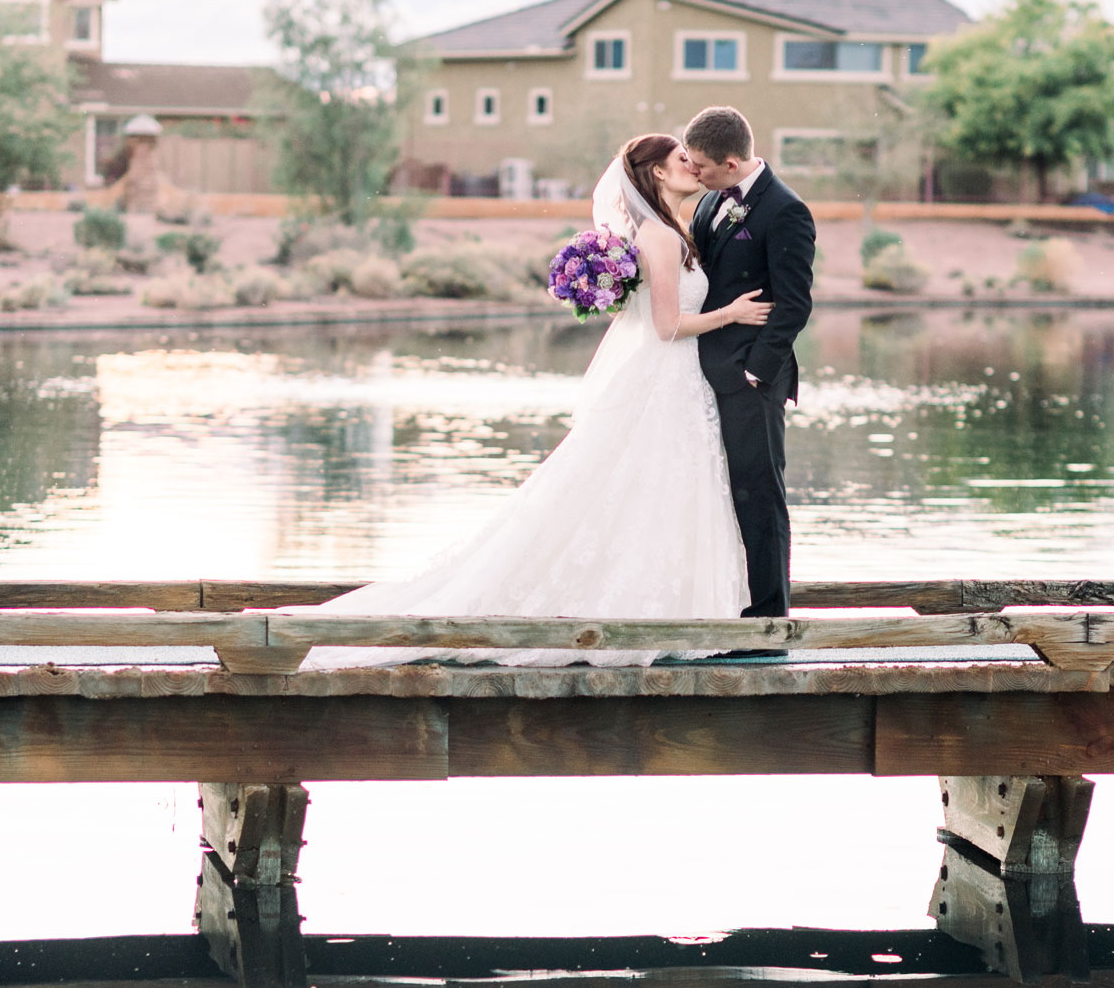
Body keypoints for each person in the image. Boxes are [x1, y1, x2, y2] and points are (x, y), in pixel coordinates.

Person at [299, 134, 770, 666]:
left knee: (662, 492)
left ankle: (672, 611)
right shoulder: (660, 236)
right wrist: (730, 314)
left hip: (680, 383)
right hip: (667, 377)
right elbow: (667, 326)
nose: (694, 165)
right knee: (649, 487)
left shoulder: (674, 230)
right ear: (657, 173)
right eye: (682, 158)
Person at [685, 108, 817, 620]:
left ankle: (768, 617)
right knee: (720, 492)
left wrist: (756, 370)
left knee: (760, 495)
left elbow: (794, 303)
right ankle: (727, 601)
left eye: (701, 165)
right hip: (702, 371)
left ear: (733, 162)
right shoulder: (712, 199)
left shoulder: (785, 210)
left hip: (751, 379)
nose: (693, 171)